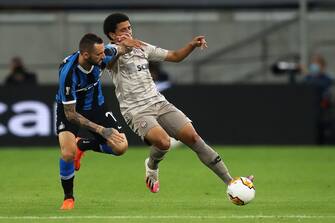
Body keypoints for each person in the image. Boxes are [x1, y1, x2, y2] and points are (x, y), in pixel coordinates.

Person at [99, 13, 253, 194]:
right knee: (163, 142)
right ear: (111, 35)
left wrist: (191, 46)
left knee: (194, 138)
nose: (128, 32)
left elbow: (174, 56)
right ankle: (152, 165)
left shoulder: (141, 47)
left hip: (158, 102)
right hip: (136, 110)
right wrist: (123, 47)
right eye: (123, 30)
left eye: (129, 28)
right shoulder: (108, 51)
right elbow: (105, 63)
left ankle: (231, 182)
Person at [55, 33, 142, 210]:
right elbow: (71, 115)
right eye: (99, 54)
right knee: (67, 153)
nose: (104, 57)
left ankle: (83, 145)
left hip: (97, 107)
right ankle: (68, 197)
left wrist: (126, 43)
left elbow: (120, 49)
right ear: (85, 55)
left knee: (121, 147)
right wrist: (102, 130)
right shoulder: (68, 74)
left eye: (104, 52)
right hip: (70, 111)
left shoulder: (103, 53)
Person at [302, 54, 333, 143]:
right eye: (313, 63)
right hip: (308, 110)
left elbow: (320, 85)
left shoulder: (327, 79)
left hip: (323, 110)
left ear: (322, 66)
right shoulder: (308, 79)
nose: (314, 66)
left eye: (317, 64)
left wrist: (308, 75)